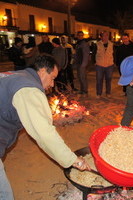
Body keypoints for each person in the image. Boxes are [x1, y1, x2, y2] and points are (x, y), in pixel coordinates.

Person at [0, 54, 90, 200]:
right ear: (42, 71)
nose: (53, 84)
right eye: (53, 78)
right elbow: (44, 133)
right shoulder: (28, 89)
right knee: (4, 195)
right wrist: (73, 160)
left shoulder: (17, 76)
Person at [95, 31, 115, 98]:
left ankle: (108, 93)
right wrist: (95, 62)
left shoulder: (112, 44)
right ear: (101, 37)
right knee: (99, 80)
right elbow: (93, 54)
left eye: (107, 35)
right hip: (99, 65)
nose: (106, 37)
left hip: (109, 65)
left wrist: (113, 62)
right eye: (104, 35)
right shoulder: (97, 44)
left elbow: (114, 54)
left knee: (108, 79)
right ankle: (98, 93)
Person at [74, 31, 90, 97]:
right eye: (79, 35)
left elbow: (86, 54)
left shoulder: (84, 44)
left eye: (81, 35)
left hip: (82, 64)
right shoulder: (78, 43)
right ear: (77, 36)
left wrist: (83, 64)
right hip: (78, 63)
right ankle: (82, 90)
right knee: (80, 77)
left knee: (83, 77)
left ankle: (85, 91)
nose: (80, 36)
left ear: (83, 36)